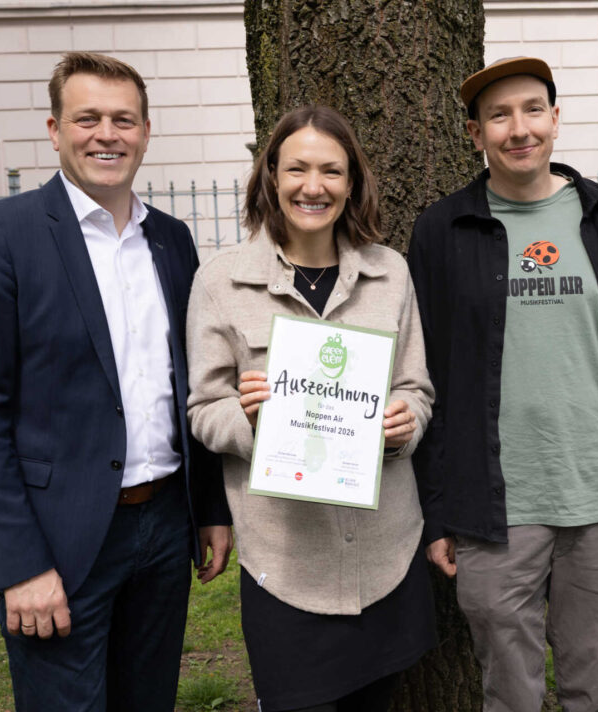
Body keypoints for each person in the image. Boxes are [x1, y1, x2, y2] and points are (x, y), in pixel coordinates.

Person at [0, 51, 233, 711]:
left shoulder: (173, 241)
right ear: (54, 130)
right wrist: (20, 564)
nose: (108, 134)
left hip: (163, 527)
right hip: (59, 542)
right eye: (88, 118)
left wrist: (210, 509)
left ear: (146, 132)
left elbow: (190, 381)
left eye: (124, 120)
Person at [407, 56, 598, 712]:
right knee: (510, 695)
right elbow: (424, 371)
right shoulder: (442, 231)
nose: (518, 128)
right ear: (475, 134)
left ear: (556, 120)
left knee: (594, 691)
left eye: (532, 110)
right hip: (495, 506)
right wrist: (436, 509)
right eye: (498, 115)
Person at [186, 105, 436, 712]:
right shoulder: (221, 281)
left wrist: (404, 422)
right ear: (271, 175)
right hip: (287, 565)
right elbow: (202, 408)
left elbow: (417, 389)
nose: (313, 186)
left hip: (386, 558)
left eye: (331, 171)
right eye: (297, 168)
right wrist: (249, 422)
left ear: (352, 182)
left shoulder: (390, 274)